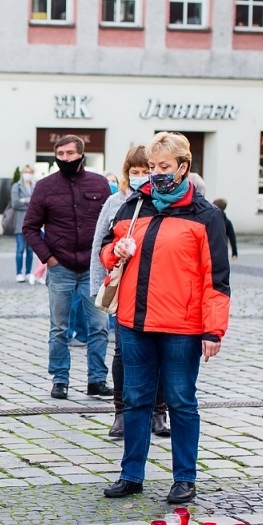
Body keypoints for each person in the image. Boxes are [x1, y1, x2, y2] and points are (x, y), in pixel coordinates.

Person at [98, 131, 230, 505]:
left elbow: (217, 277)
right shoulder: (133, 206)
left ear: (183, 167)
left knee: (181, 401)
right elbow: (107, 252)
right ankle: (131, 475)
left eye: (164, 166)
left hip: (182, 328)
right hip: (134, 322)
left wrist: (214, 329)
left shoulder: (206, 215)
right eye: (152, 166)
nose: (156, 173)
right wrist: (115, 250)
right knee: (136, 399)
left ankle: (184, 478)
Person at [23, 135, 113, 400]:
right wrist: (48, 257)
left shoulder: (99, 184)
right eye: (60, 154)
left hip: (93, 267)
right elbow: (29, 227)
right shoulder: (45, 187)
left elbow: (112, 223)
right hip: (60, 266)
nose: (65, 158)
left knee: (99, 326)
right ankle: (60, 379)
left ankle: (97, 380)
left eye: (70, 153)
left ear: (81, 155)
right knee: (59, 328)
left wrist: (105, 255)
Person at [91, 145, 169, 442]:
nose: (140, 176)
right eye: (134, 172)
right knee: (123, 353)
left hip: (158, 288)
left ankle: (158, 412)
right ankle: (121, 413)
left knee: (161, 352)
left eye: (145, 171)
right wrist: (98, 287)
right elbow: (99, 244)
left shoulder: (164, 200)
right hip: (124, 287)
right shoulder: (116, 202)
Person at [7, 165, 35, 282]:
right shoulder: (17, 186)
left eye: (29, 172)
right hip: (20, 223)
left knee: (30, 250)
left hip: (32, 223)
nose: (27, 174)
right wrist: (30, 202)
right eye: (25, 172)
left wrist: (25, 200)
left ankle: (28, 272)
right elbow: (15, 203)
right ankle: (19, 273)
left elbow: (38, 203)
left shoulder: (35, 186)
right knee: (20, 249)